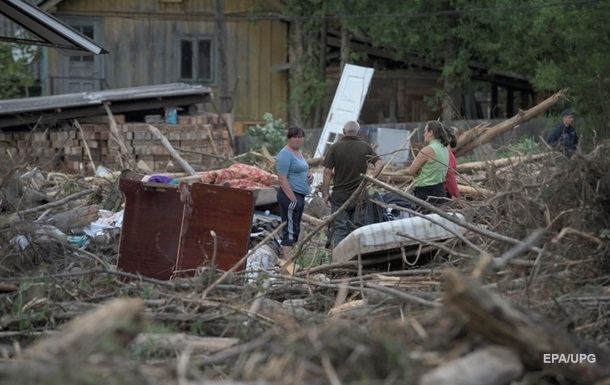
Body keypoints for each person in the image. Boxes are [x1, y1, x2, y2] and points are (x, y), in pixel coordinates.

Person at [322, 121, 384, 248]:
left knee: (339, 230)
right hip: (359, 196)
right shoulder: (365, 146)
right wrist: (371, 179)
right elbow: (379, 163)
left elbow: (327, 171)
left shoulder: (335, 147)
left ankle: (338, 262)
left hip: (339, 197)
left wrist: (326, 193)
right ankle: (356, 258)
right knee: (358, 229)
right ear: (359, 133)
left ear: (343, 132)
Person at [276, 125, 313, 261]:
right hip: (290, 196)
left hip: (299, 195)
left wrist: (309, 176)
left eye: (300, 137)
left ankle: (292, 263)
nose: (297, 140)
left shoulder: (298, 152)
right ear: (289, 138)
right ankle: (287, 266)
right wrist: (293, 199)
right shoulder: (285, 154)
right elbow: (282, 178)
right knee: (290, 232)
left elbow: (301, 170)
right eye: (294, 137)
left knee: (295, 230)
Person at [406, 120, 449, 207]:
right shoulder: (445, 149)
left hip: (426, 192)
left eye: (426, 131)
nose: (424, 134)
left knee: (423, 219)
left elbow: (411, 171)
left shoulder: (428, 150)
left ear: (431, 133)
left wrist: (416, 174)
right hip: (440, 190)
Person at [443, 125, 460, 199]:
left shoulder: (446, 155)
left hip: (444, 193)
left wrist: (456, 195)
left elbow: (450, 177)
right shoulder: (449, 153)